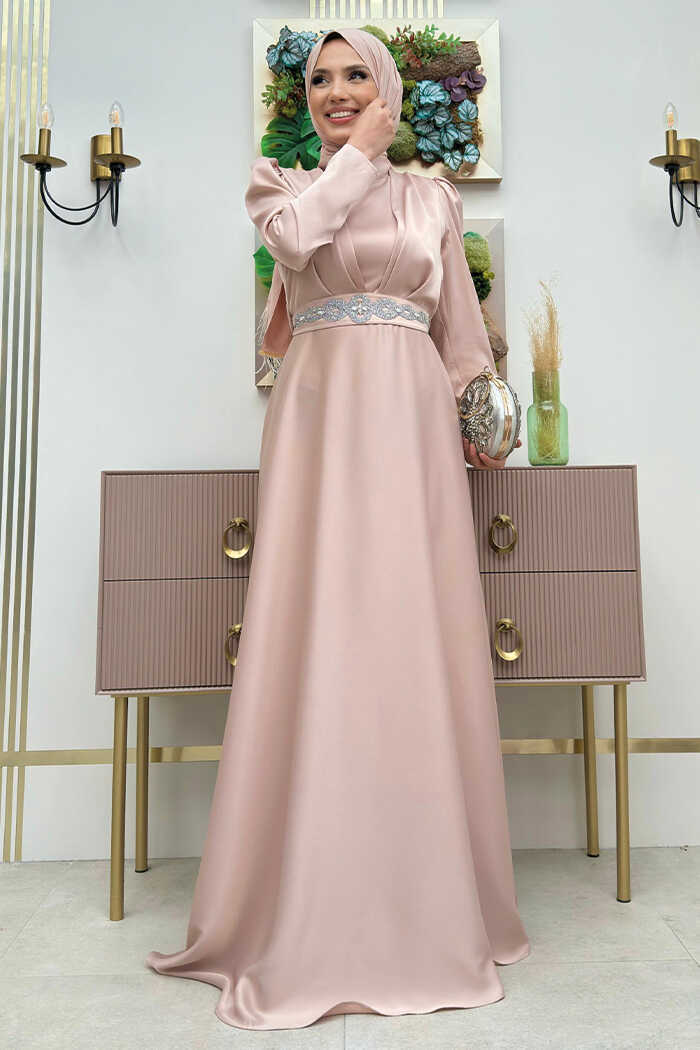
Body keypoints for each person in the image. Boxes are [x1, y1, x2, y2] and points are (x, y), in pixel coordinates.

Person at [145, 27, 530, 1031]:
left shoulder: (434, 201)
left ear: (387, 84)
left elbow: (460, 336)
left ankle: (431, 896)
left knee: (409, 631)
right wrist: (358, 158)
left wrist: (488, 415)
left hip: (412, 429)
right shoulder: (280, 185)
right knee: (319, 630)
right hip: (317, 427)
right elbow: (296, 243)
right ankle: (301, 895)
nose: (337, 90)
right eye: (320, 79)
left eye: (357, 74)